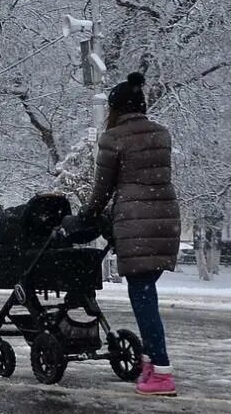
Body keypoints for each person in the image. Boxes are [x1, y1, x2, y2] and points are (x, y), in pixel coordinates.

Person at [78, 72, 182, 397]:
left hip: (136, 222)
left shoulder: (114, 138)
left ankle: (162, 372)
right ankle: (151, 362)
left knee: (143, 298)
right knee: (147, 292)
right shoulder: (161, 134)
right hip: (164, 219)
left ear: (115, 108)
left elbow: (103, 189)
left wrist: (87, 214)